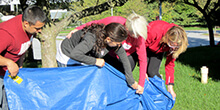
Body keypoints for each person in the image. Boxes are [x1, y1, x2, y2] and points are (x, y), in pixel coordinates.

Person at [66, 12, 148, 94]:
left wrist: (141, 84)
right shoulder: (114, 22)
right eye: (134, 34)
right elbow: (94, 24)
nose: (136, 36)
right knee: (104, 73)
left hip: (125, 55)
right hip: (108, 52)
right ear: (127, 28)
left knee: (122, 75)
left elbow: (142, 59)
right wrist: (78, 28)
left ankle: (115, 92)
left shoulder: (139, 38)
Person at [56, 23, 139, 92]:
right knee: (69, 86)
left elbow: (125, 60)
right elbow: (75, 54)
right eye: (118, 43)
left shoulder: (112, 42)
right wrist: (95, 61)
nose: (119, 45)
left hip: (82, 55)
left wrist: (131, 81)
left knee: (81, 84)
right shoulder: (91, 39)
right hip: (66, 55)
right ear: (108, 39)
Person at [0, 5, 46, 109]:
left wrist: (20, 62)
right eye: (38, 28)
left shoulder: (30, 28)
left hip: (9, 74)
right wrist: (9, 62)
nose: (40, 31)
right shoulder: (6, 34)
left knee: (9, 104)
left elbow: (24, 44)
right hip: (1, 73)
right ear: (26, 23)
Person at [144, 20, 188, 99]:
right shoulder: (154, 31)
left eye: (176, 47)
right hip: (146, 46)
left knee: (152, 72)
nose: (173, 48)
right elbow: (141, 48)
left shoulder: (175, 44)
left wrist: (170, 87)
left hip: (159, 50)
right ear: (168, 37)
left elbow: (170, 65)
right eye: (171, 44)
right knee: (144, 73)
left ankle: (160, 94)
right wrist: (143, 71)